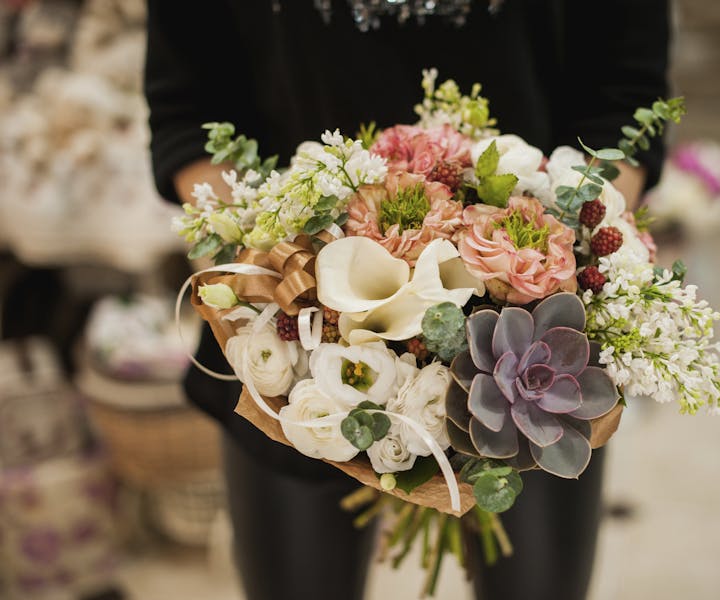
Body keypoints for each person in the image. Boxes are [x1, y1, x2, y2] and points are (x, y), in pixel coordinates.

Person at [145, 2, 670, 599]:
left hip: (535, 363)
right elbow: (189, 101)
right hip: (295, 343)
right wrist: (266, 285)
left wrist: (568, 255)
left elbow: (623, 86)